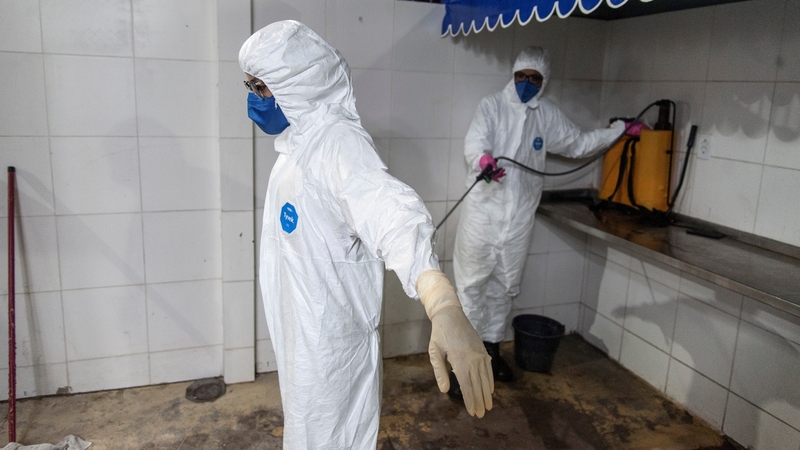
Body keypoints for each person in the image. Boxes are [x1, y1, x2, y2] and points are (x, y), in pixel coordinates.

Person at [239, 20, 493, 449]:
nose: (253, 100)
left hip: (333, 354)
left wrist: (442, 302)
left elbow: (391, 213)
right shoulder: (296, 146)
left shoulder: (337, 144)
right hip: (303, 343)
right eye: (249, 86)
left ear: (300, 86)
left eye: (261, 88)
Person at [452, 46, 625, 390]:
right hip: (483, 217)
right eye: (522, 76)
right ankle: (463, 367)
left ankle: (490, 355)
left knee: (504, 289)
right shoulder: (492, 106)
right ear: (513, 74)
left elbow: (577, 144)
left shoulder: (545, 115)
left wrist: (617, 131)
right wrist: (484, 162)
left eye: (535, 79)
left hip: (518, 220)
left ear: (544, 82)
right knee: (471, 289)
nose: (526, 84)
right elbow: (475, 142)